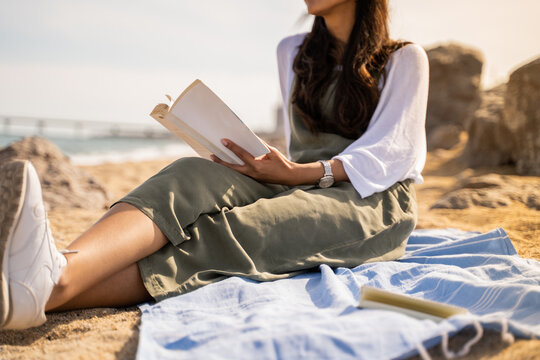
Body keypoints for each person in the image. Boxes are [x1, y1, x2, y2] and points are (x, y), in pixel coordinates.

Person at [0, 0, 428, 330]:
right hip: (297, 179)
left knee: (242, 227)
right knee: (189, 175)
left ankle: (47, 290)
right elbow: (300, 146)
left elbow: (394, 152)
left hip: (371, 200)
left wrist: (301, 174)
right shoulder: (293, 51)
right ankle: (57, 272)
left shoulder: (405, 59)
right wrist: (249, 158)